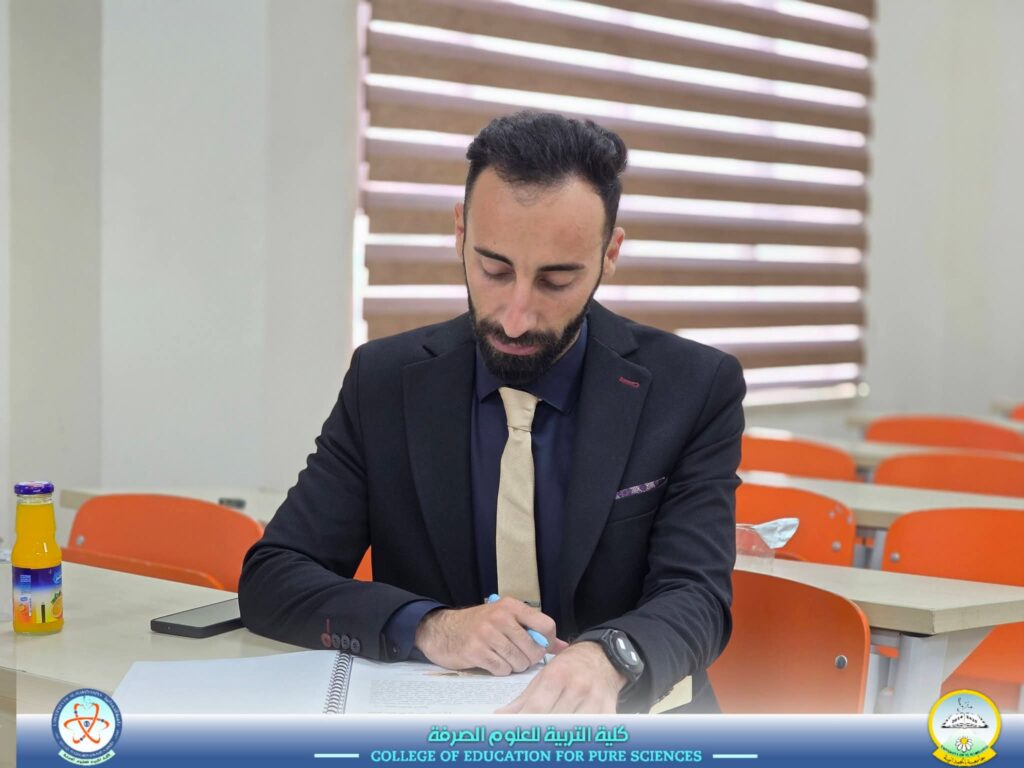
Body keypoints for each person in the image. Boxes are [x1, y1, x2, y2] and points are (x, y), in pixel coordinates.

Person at [239, 111, 745, 714]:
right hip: (438, 726)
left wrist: (610, 658)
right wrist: (430, 626)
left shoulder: (694, 388)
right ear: (460, 232)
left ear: (609, 254)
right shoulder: (383, 382)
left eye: (556, 280)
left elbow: (697, 595)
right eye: (494, 270)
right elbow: (274, 577)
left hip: (637, 723)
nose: (515, 317)